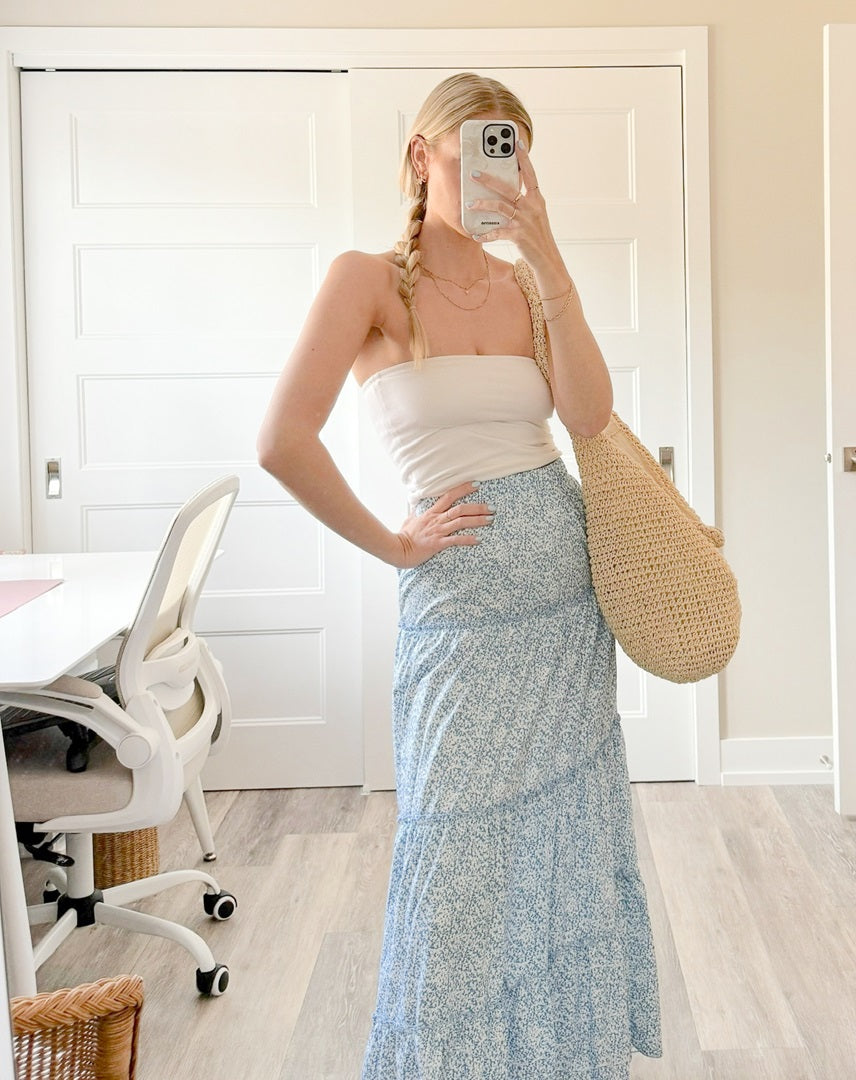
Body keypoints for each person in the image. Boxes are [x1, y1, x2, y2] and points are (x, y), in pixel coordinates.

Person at [257, 72, 661, 1078]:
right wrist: (394, 544)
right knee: (454, 852)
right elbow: (282, 441)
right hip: (459, 609)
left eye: (514, 150)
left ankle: (561, 1058)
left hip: (566, 604)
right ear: (420, 157)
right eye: (480, 146)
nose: (500, 170)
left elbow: (588, 417)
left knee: (563, 837)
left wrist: (551, 260)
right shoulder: (367, 282)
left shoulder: (524, 286)